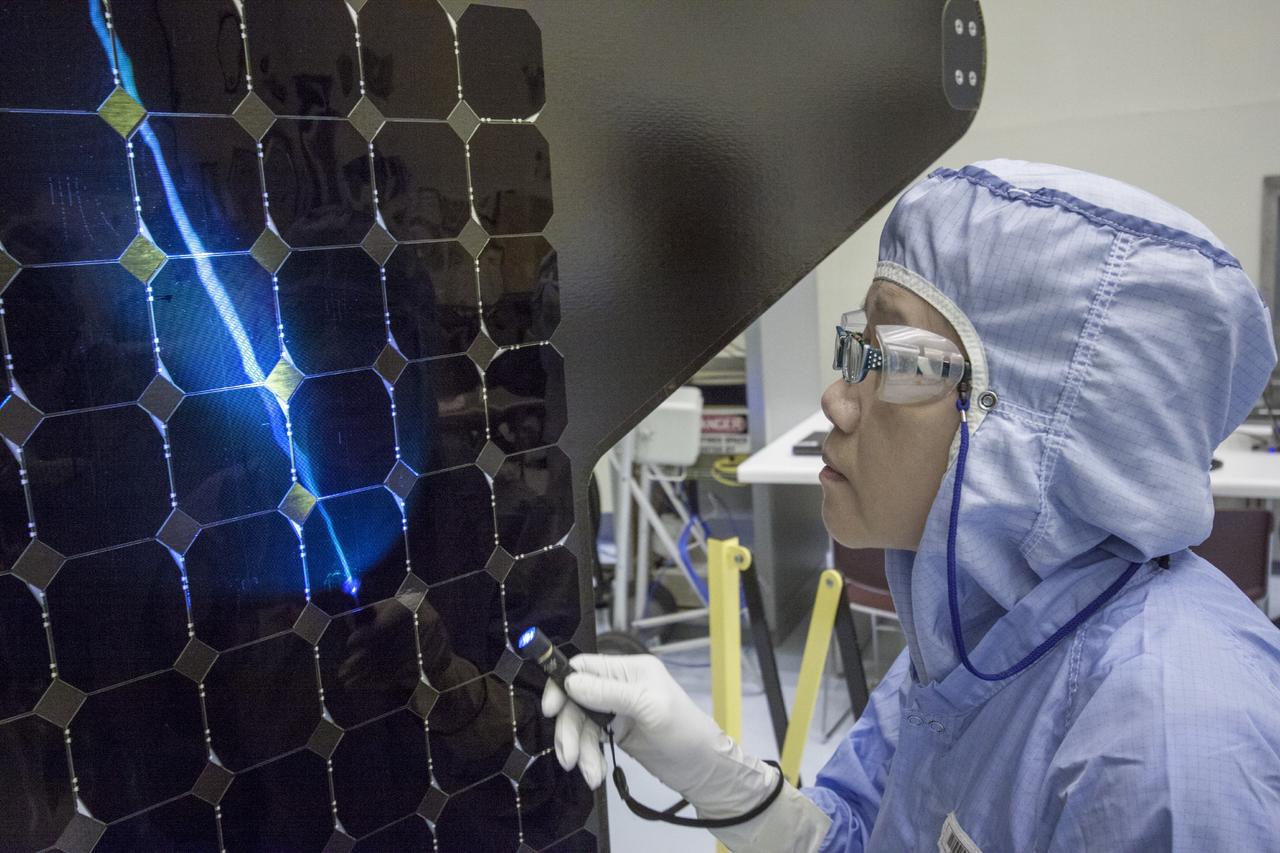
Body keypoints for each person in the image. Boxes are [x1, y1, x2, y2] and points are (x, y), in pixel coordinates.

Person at [543, 159, 1280, 851]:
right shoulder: (979, 628)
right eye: (855, 348)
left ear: (1030, 428)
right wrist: (713, 771)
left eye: (891, 360)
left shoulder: (1171, 748)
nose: (836, 399)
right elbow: (865, 836)